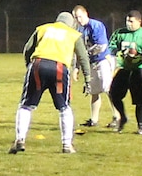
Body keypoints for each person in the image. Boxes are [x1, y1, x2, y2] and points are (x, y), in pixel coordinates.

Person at [9, 12, 87, 154]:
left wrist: (29, 65)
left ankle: (20, 139)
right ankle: (66, 144)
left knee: (26, 105)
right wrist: (88, 78)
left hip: (38, 65)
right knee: (64, 107)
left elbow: (27, 48)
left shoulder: (43, 28)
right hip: (59, 68)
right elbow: (83, 57)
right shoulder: (74, 34)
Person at [107, 9, 142, 133]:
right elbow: (112, 47)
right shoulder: (120, 33)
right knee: (114, 94)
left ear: (139, 22)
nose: (128, 24)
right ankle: (123, 117)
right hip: (124, 68)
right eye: (127, 21)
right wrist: (118, 51)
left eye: (131, 21)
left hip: (138, 69)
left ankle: (141, 125)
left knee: (140, 99)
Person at [73, 4, 114, 127]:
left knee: (108, 89)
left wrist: (86, 54)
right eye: (76, 17)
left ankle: (117, 116)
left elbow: (101, 46)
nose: (78, 20)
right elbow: (77, 50)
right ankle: (94, 119)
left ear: (86, 14)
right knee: (94, 91)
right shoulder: (78, 30)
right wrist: (76, 67)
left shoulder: (96, 25)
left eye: (80, 16)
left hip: (103, 60)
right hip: (91, 62)